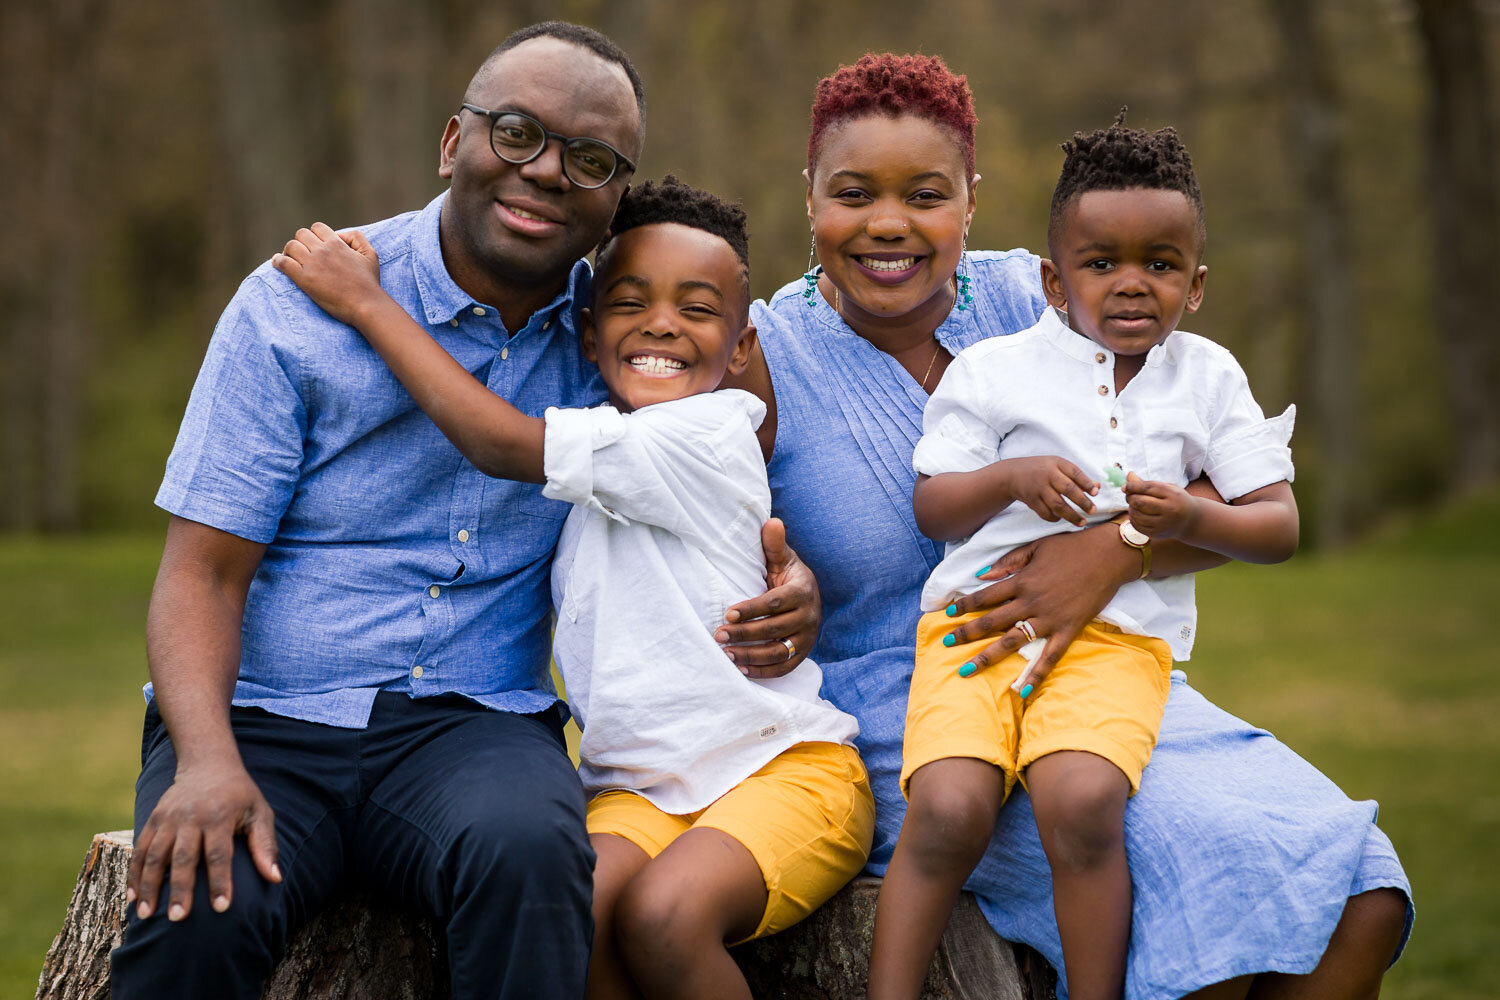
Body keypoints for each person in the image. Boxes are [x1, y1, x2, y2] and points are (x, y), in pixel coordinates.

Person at [113, 24, 819, 1000]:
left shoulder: (617, 326)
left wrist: (787, 573)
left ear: (616, 193)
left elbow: (746, 433)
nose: (545, 173)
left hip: (471, 722)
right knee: (197, 900)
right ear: (455, 141)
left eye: (590, 159)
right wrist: (202, 760)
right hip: (265, 714)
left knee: (532, 859)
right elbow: (201, 570)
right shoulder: (293, 310)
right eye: (518, 134)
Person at [728, 53, 1411, 1000]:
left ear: (972, 198)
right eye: (852, 194)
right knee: (1203, 890)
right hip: (917, 710)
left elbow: (1224, 487)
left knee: (1358, 888)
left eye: (927, 194)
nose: (889, 224)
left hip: (1113, 671)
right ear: (809, 199)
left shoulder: (1041, 294)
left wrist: (1115, 553)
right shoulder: (766, 352)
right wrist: (788, 587)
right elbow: (705, 536)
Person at [272, 176, 874, 1000]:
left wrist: (371, 306)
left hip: (785, 769)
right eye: (632, 303)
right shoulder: (614, 444)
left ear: (742, 347)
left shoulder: (698, 432)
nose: (661, 323)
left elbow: (496, 440)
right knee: (570, 916)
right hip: (638, 790)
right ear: (589, 336)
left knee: (665, 917)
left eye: (697, 310)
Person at [872, 114, 1300, 1000]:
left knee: (1082, 802)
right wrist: (1010, 478)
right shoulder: (993, 370)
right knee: (950, 808)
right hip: (973, 627)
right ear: (1052, 280)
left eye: (1161, 264)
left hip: (1116, 645)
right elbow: (933, 504)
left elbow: (1277, 524)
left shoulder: (1208, 377)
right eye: (1101, 263)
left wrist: (1187, 515)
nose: (1132, 285)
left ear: (1198, 282)